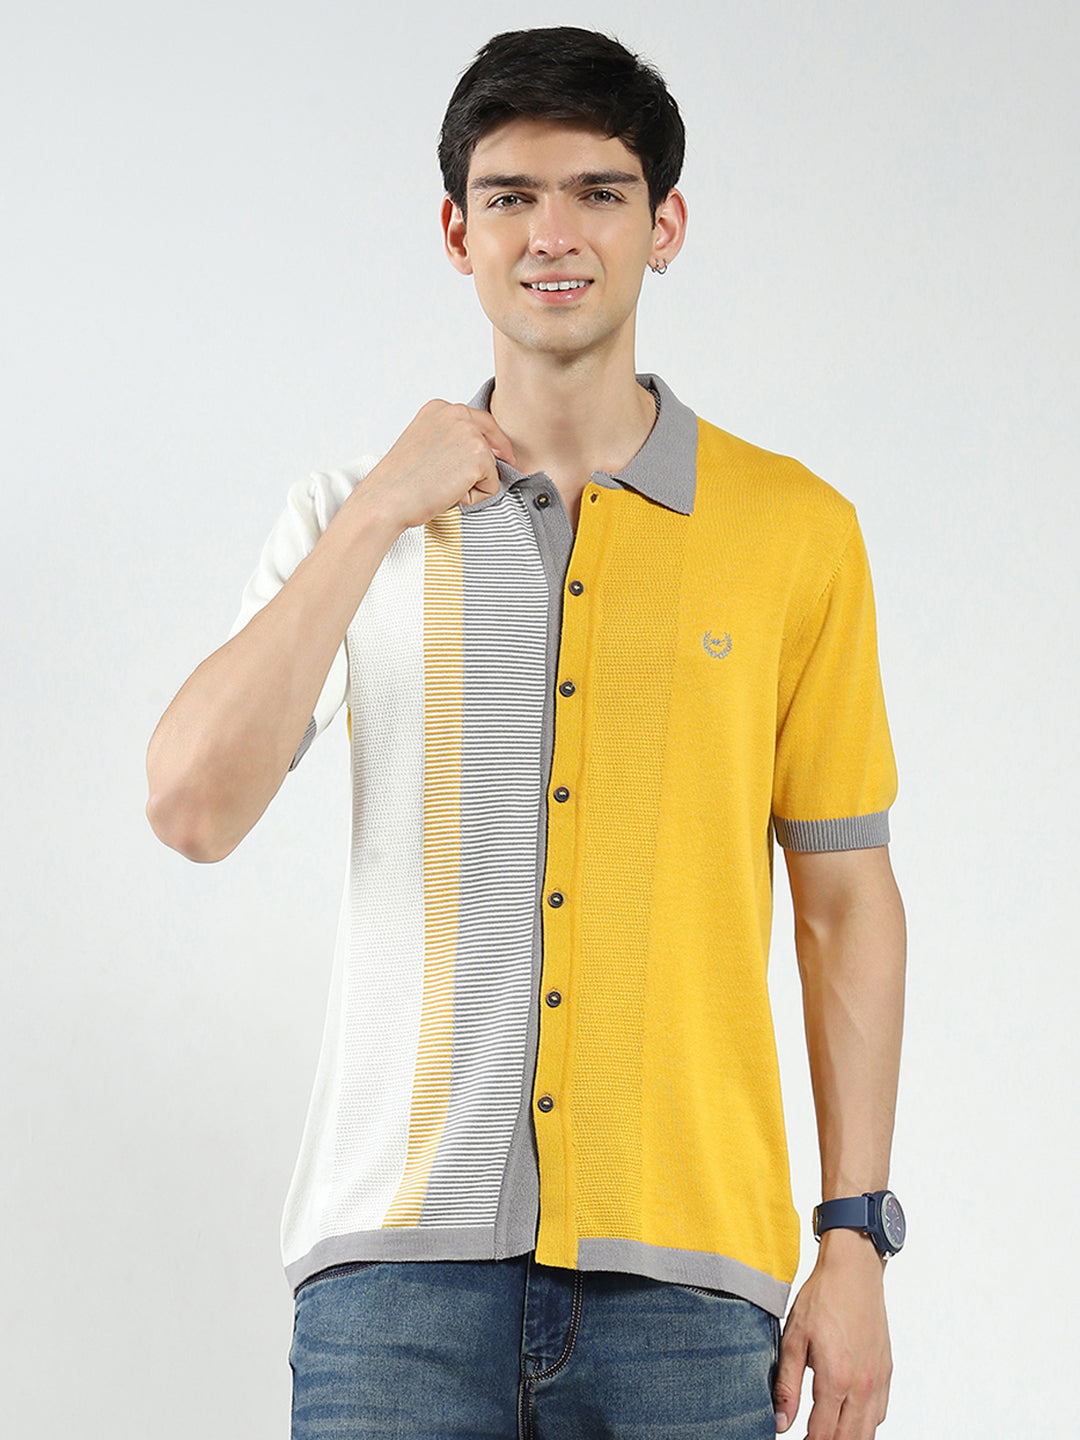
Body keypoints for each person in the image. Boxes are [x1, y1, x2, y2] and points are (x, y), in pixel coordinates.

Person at [146, 25, 906, 1440]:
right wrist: (383, 507)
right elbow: (191, 807)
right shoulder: (352, 516)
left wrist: (854, 1237)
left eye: (599, 193)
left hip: (689, 1289)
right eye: (511, 196)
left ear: (664, 226)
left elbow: (845, 897)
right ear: (458, 232)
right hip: (392, 1287)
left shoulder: (794, 532)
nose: (554, 233)